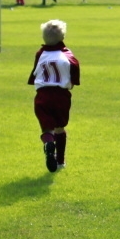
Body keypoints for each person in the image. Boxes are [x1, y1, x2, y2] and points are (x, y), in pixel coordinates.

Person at [27, 19, 80, 172]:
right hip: (60, 96)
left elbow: (35, 73)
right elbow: (74, 70)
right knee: (59, 128)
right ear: (62, 37)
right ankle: (60, 161)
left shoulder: (41, 53)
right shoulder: (68, 55)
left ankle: (48, 143)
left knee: (47, 129)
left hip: (42, 95)